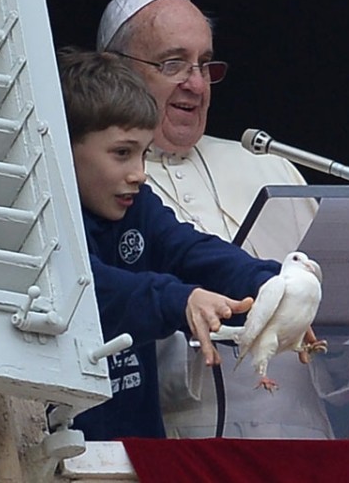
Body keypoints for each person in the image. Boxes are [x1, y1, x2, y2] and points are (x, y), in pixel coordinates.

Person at [95, 0, 349, 439]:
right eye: (173, 63)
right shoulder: (104, 184)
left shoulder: (270, 166)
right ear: (115, 69)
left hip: (307, 442)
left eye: (205, 65)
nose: (197, 83)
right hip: (185, 446)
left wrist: (341, 348)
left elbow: (346, 329)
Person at [58, 49, 281, 440]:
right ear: (61, 148)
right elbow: (88, 288)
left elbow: (191, 251)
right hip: (61, 453)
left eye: (143, 154)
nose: (139, 174)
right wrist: (179, 299)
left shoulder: (137, 207)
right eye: (122, 153)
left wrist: (271, 284)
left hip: (137, 453)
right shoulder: (44, 218)